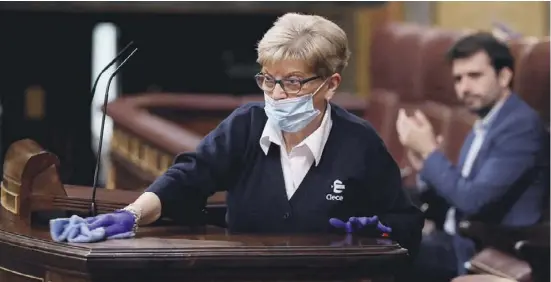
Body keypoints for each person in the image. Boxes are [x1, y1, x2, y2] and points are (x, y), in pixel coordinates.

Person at [51, 13, 424, 257]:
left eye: (292, 83)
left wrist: (383, 231)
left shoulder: (360, 144)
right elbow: (188, 178)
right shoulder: (247, 124)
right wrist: (131, 215)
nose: (276, 95)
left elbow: (408, 224)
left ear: (330, 85)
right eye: (268, 80)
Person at [396, 32, 549, 281]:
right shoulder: (486, 122)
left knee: (379, 259)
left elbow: (472, 200)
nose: (464, 88)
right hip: (452, 240)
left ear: (504, 76)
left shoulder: (520, 127)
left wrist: (430, 152)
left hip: (482, 249)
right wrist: (425, 167)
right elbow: (458, 193)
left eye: (474, 76)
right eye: (458, 79)